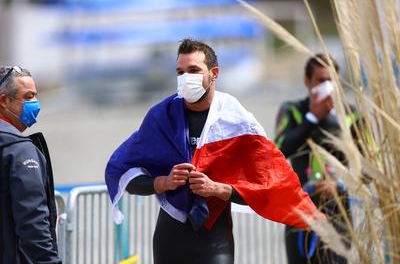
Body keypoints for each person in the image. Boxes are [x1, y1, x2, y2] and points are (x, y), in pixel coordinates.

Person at [105, 39, 323, 264]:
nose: (185, 78)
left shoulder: (237, 120)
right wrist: (163, 182)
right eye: (180, 72)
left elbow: (269, 186)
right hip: (169, 238)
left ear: (214, 73)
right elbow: (123, 173)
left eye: (193, 70)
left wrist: (219, 189)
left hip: (215, 240)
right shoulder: (162, 116)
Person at [274, 54, 360, 264]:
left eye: (331, 80)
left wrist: (339, 183)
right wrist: (312, 117)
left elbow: (367, 167)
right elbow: (277, 152)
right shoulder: (292, 110)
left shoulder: (351, 115)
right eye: (321, 80)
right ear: (307, 81)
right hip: (299, 209)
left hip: (337, 209)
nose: (327, 85)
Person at [0, 66, 61, 264]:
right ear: (3, 101)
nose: (35, 104)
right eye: (28, 97)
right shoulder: (19, 150)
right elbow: (32, 221)